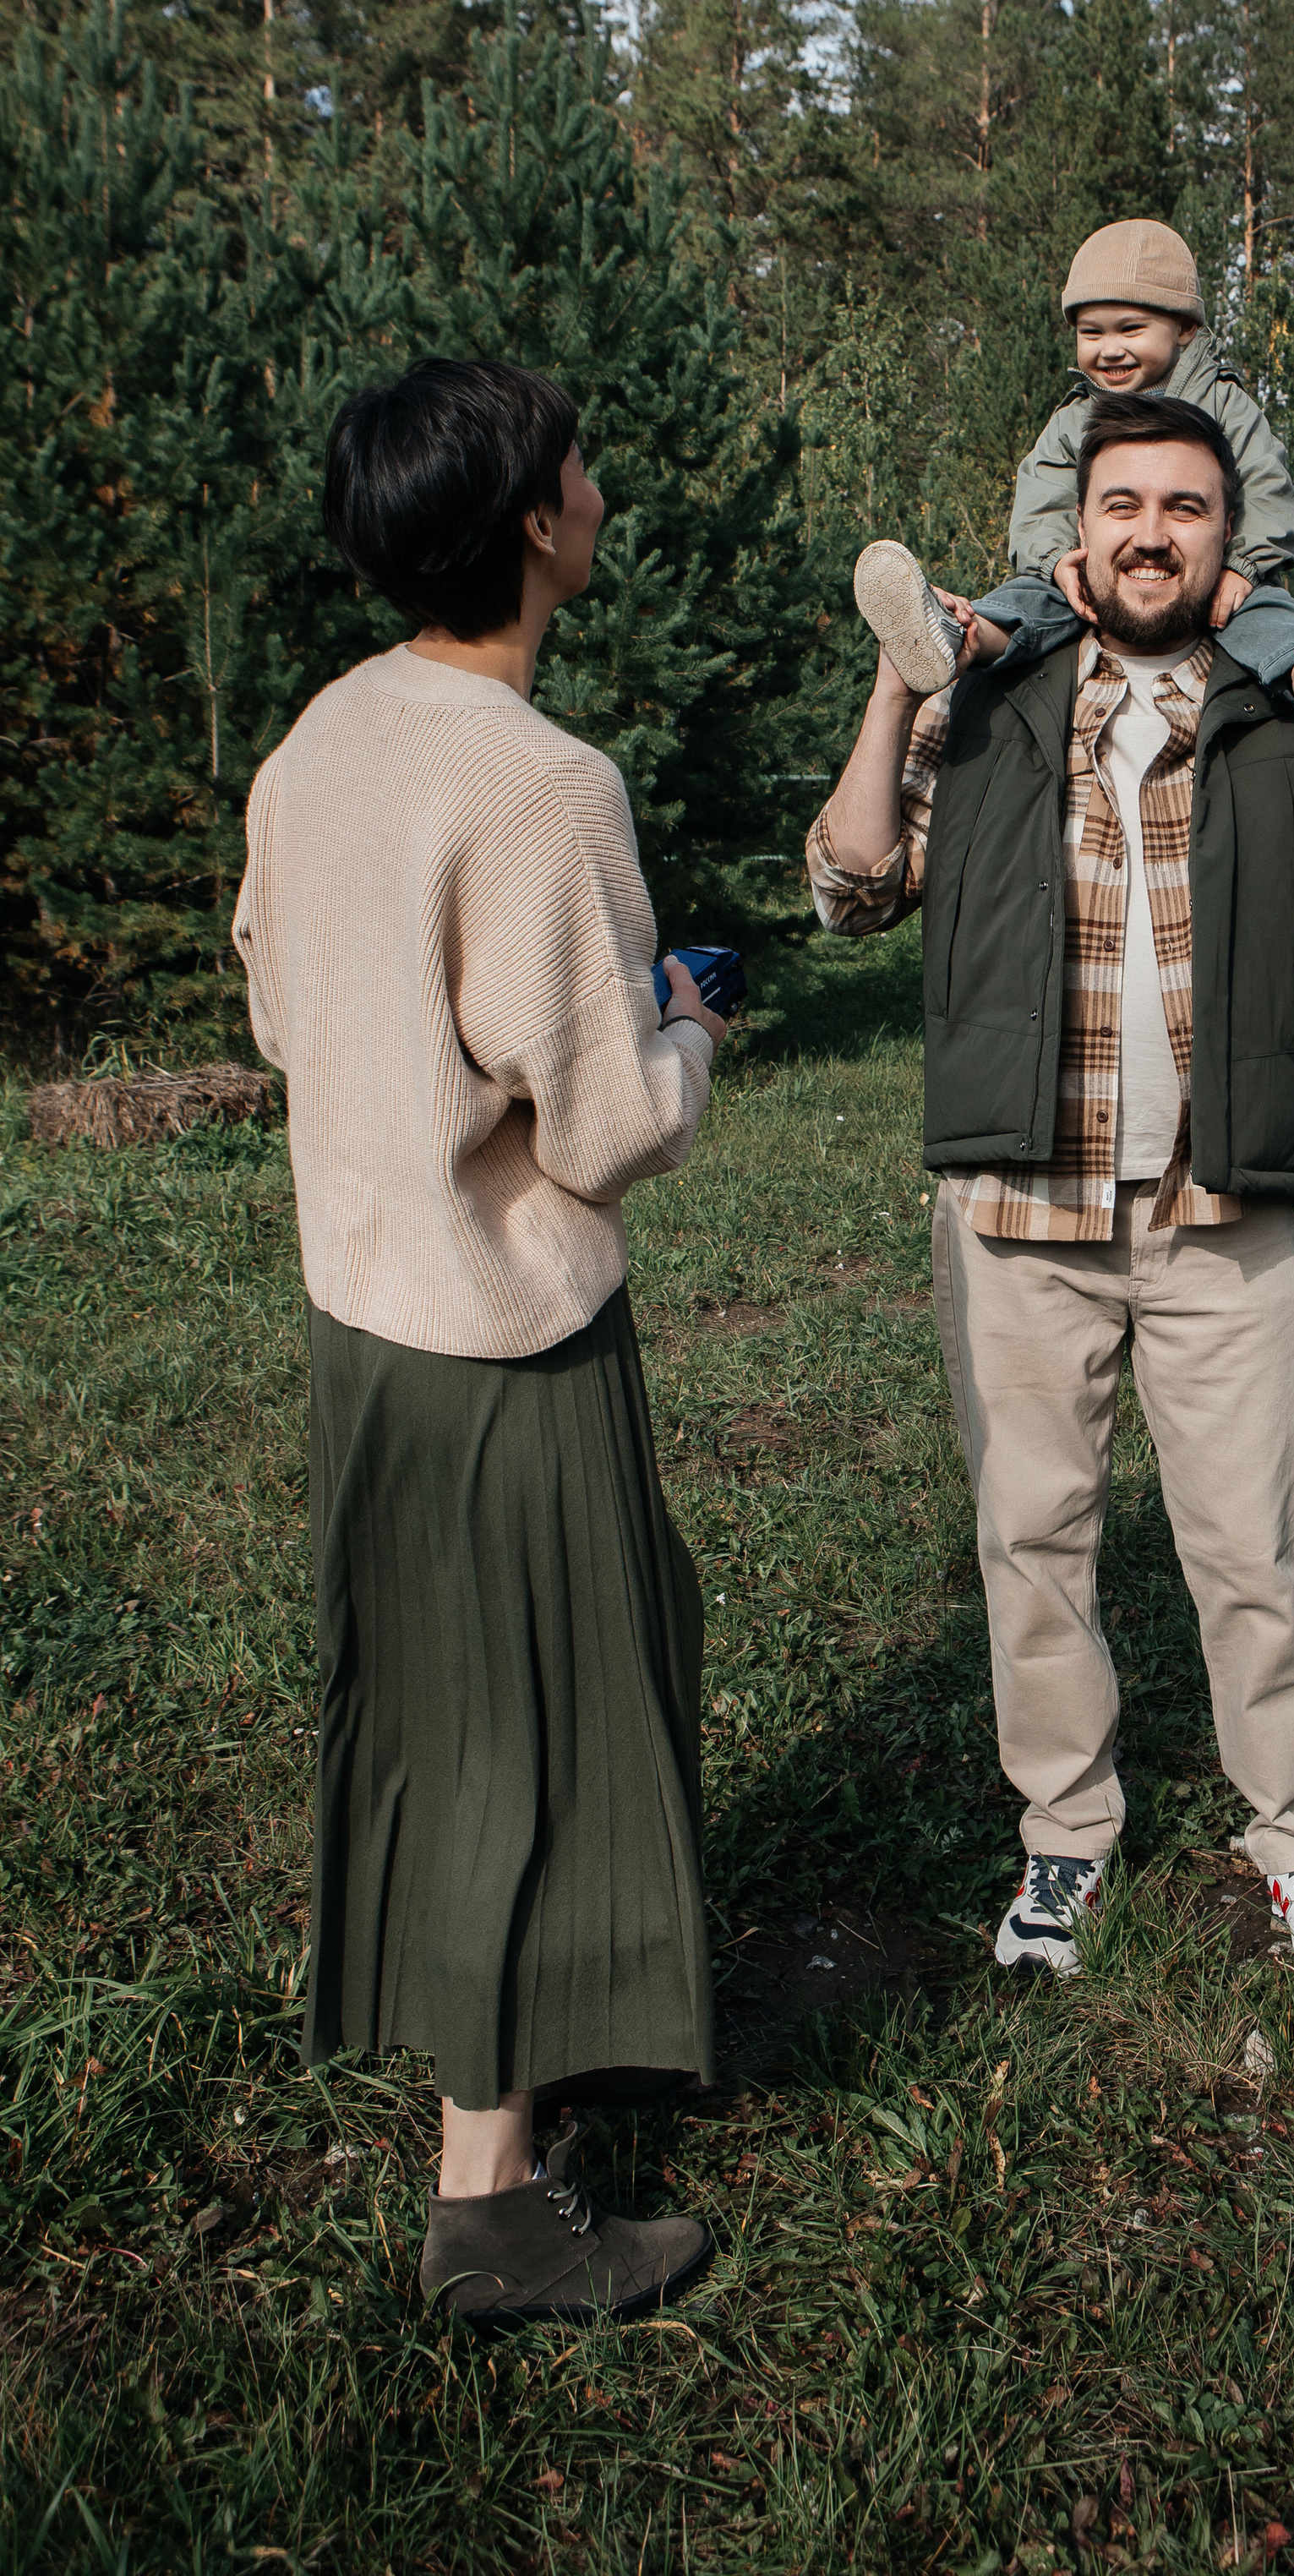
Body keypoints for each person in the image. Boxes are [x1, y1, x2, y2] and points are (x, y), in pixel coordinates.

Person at [807, 390, 1294, 1976]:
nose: (1152, 530)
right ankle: (1065, 1836)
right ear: (1074, 534)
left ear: (1233, 541)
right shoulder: (997, 691)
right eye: (1124, 505)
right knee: (1035, 1542)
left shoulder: (1285, 693)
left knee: (1257, 1544)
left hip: (1219, 1206)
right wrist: (896, 699)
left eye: (1187, 507)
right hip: (1019, 1204)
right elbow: (851, 888)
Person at [233, 355, 736, 2325]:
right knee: (536, 1732)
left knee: (443, 1722)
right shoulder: (540, 778)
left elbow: (286, 1003)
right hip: (502, 1347)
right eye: (577, 468)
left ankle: (518, 2065)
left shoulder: (325, 737)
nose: (598, 488)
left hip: (357, 1320)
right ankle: (494, 2199)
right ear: (531, 524)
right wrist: (686, 1032)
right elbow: (603, 1130)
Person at [851, 215, 1294, 749]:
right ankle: (957, 636)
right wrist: (1056, 561)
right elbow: (1041, 497)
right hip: (1100, 579)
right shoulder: (1074, 419)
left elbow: (1268, 489)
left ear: (1184, 329)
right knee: (1029, 599)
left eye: (1130, 330)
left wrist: (1244, 567)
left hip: (1217, 578)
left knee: (1270, 616)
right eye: (1091, 333)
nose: (1109, 350)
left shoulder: (1225, 405)